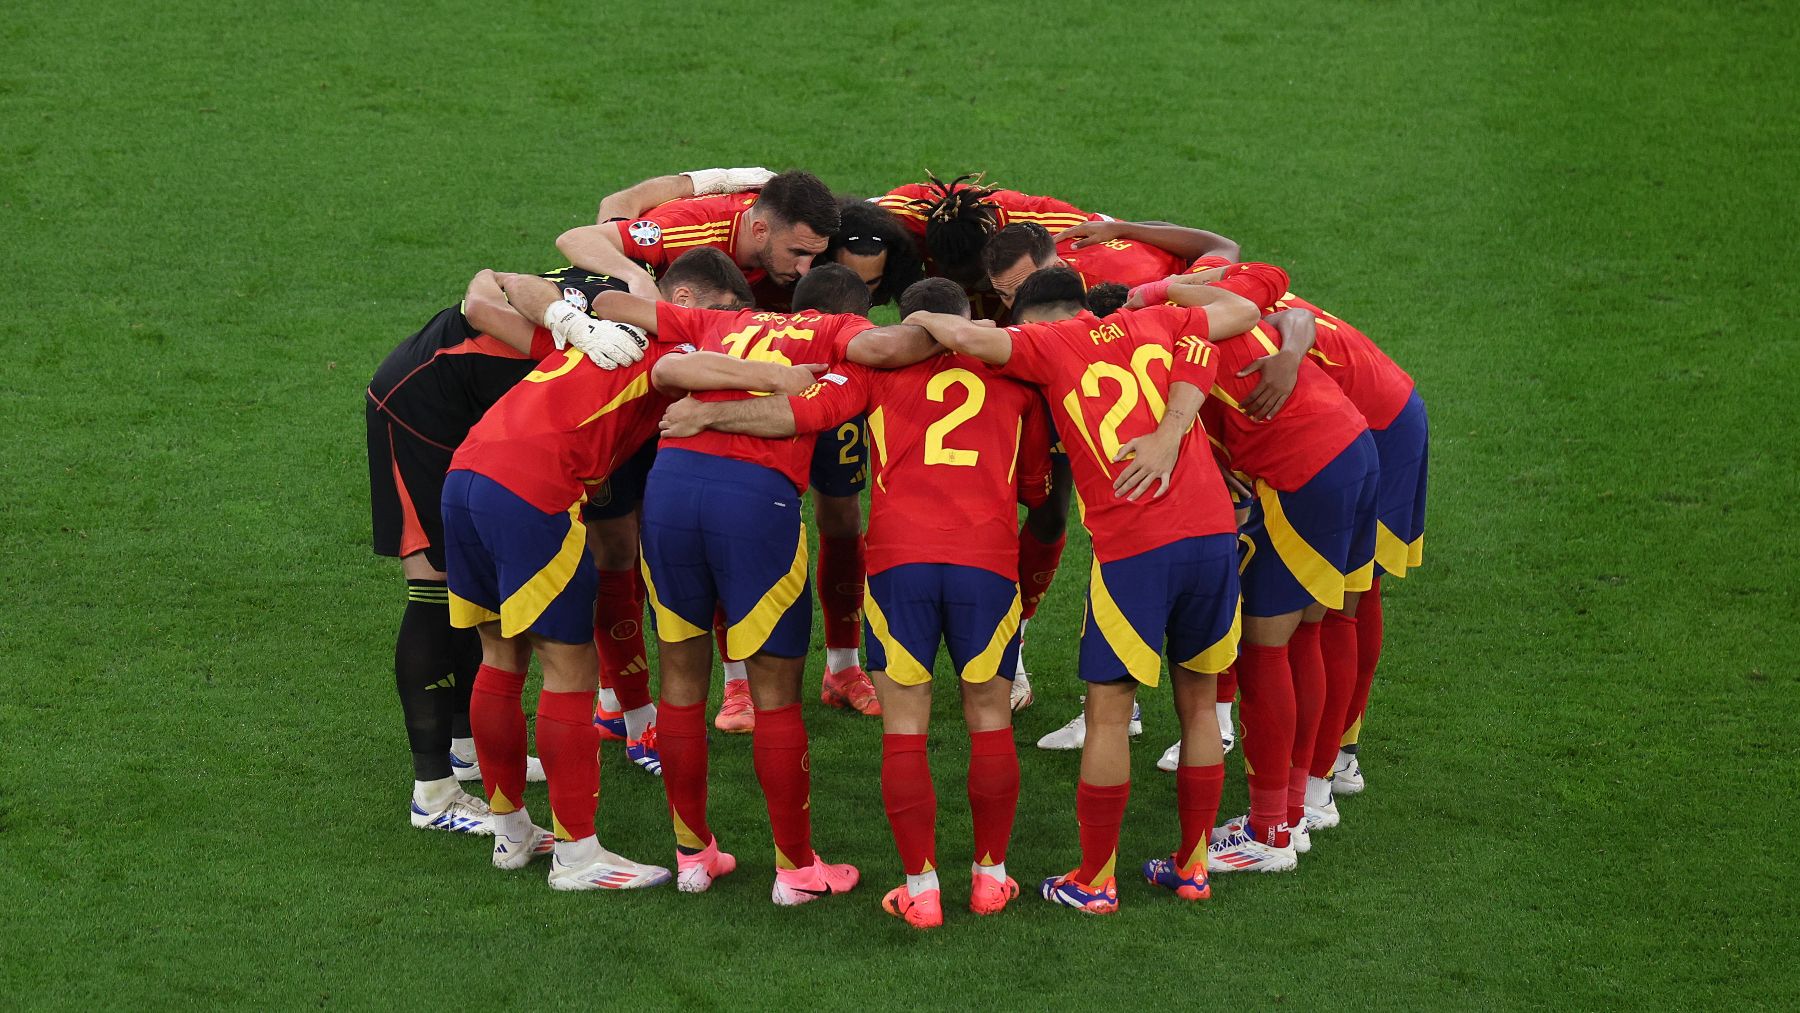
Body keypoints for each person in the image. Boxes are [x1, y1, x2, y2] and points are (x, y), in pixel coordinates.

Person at [658, 276, 1049, 927]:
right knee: (988, 718)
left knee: (905, 728)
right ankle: (990, 878)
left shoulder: (871, 375)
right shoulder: (1016, 374)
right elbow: (1037, 485)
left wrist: (708, 413)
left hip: (898, 565)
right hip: (987, 565)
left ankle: (920, 890)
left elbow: (796, 413)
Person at [906, 267, 1263, 914]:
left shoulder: (1046, 345)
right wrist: (1162, 291)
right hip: (1211, 533)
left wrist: (922, 320)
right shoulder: (1157, 321)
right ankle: (1192, 867)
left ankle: (1095, 880)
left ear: (1036, 316)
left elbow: (966, 336)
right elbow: (1242, 305)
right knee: (1202, 701)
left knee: (1107, 710)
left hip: (1135, 546)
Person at [583, 264, 935, 905]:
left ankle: (693, 856)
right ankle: (796, 872)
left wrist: (705, 409)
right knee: (776, 693)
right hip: (755, 509)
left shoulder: (723, 319)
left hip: (669, 496)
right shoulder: (839, 338)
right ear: (852, 313)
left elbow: (613, 302)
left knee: (683, 681)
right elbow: (854, 375)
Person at [443, 255, 797, 890]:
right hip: (534, 492)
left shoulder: (594, 337)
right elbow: (684, 364)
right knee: (568, 670)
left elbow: (485, 295)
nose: (722, 331)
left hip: (466, 474)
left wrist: (569, 316)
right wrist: (782, 375)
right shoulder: (675, 343)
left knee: (499, 657)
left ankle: (511, 832)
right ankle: (578, 857)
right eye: (719, 316)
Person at [1118, 266, 1379, 872]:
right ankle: (1300, 808)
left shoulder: (1150, 351)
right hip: (1350, 448)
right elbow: (1288, 309)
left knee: (1266, 651)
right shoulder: (1214, 309)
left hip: (1303, 474)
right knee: (1308, 634)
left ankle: (1271, 833)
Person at [368, 267, 628, 834]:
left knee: (473, 587)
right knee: (436, 588)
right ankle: (433, 794)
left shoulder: (620, 298)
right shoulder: (600, 324)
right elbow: (482, 287)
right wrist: (565, 324)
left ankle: (466, 751)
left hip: (473, 422)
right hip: (417, 411)